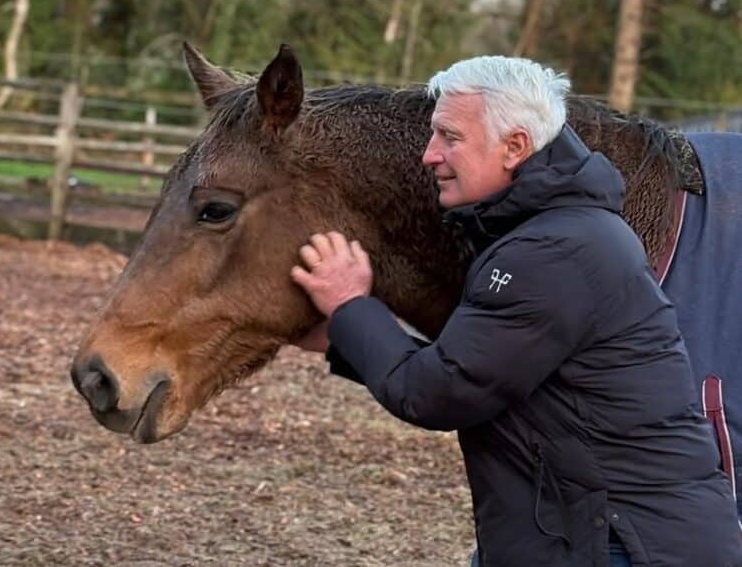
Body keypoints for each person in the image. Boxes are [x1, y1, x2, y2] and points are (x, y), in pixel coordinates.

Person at [290, 57, 742, 567]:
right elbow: (485, 369)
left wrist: (350, 304)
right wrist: (346, 337)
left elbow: (436, 392)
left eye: (449, 137)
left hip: (625, 547)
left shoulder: (553, 250)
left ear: (515, 146)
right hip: (606, 534)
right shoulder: (560, 232)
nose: (429, 154)